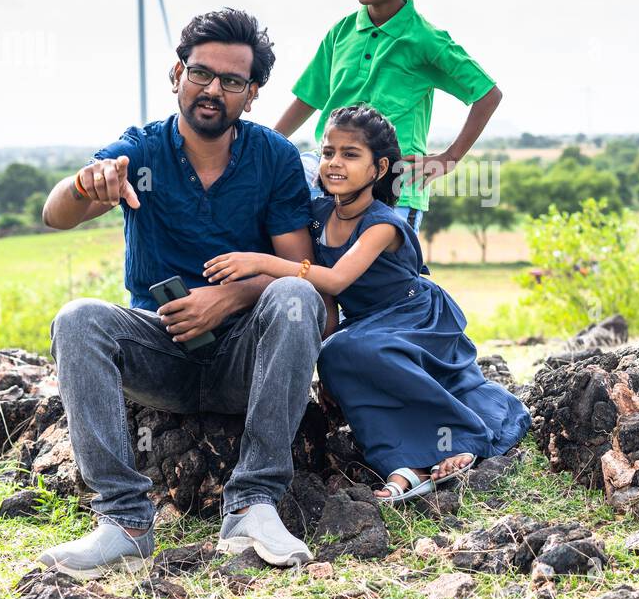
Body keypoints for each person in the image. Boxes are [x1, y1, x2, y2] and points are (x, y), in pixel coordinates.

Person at [37, 8, 335, 577]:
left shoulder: (271, 156)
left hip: (247, 356)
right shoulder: (141, 151)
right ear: (177, 74)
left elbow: (301, 271)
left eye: (232, 81)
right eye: (201, 73)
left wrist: (228, 298)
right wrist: (83, 183)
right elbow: (56, 214)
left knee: (296, 298)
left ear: (251, 95)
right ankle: (123, 521)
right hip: (164, 351)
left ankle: (253, 505)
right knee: (78, 318)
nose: (212, 89)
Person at [205, 105, 530, 501]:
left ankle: (457, 438)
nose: (334, 163)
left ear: (379, 169)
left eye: (350, 154)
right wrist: (323, 365)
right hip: (365, 324)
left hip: (414, 318)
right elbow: (325, 297)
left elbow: (338, 279)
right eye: (328, 153)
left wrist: (262, 263)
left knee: (353, 347)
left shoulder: (382, 223)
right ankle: (403, 462)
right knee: (339, 353)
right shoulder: (318, 215)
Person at [273, 0, 503, 232]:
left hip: (396, 184)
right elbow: (308, 98)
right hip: (333, 175)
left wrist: (450, 157)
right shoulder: (341, 32)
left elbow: (488, 94)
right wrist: (267, 146)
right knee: (286, 193)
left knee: (383, 276)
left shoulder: (425, 39)